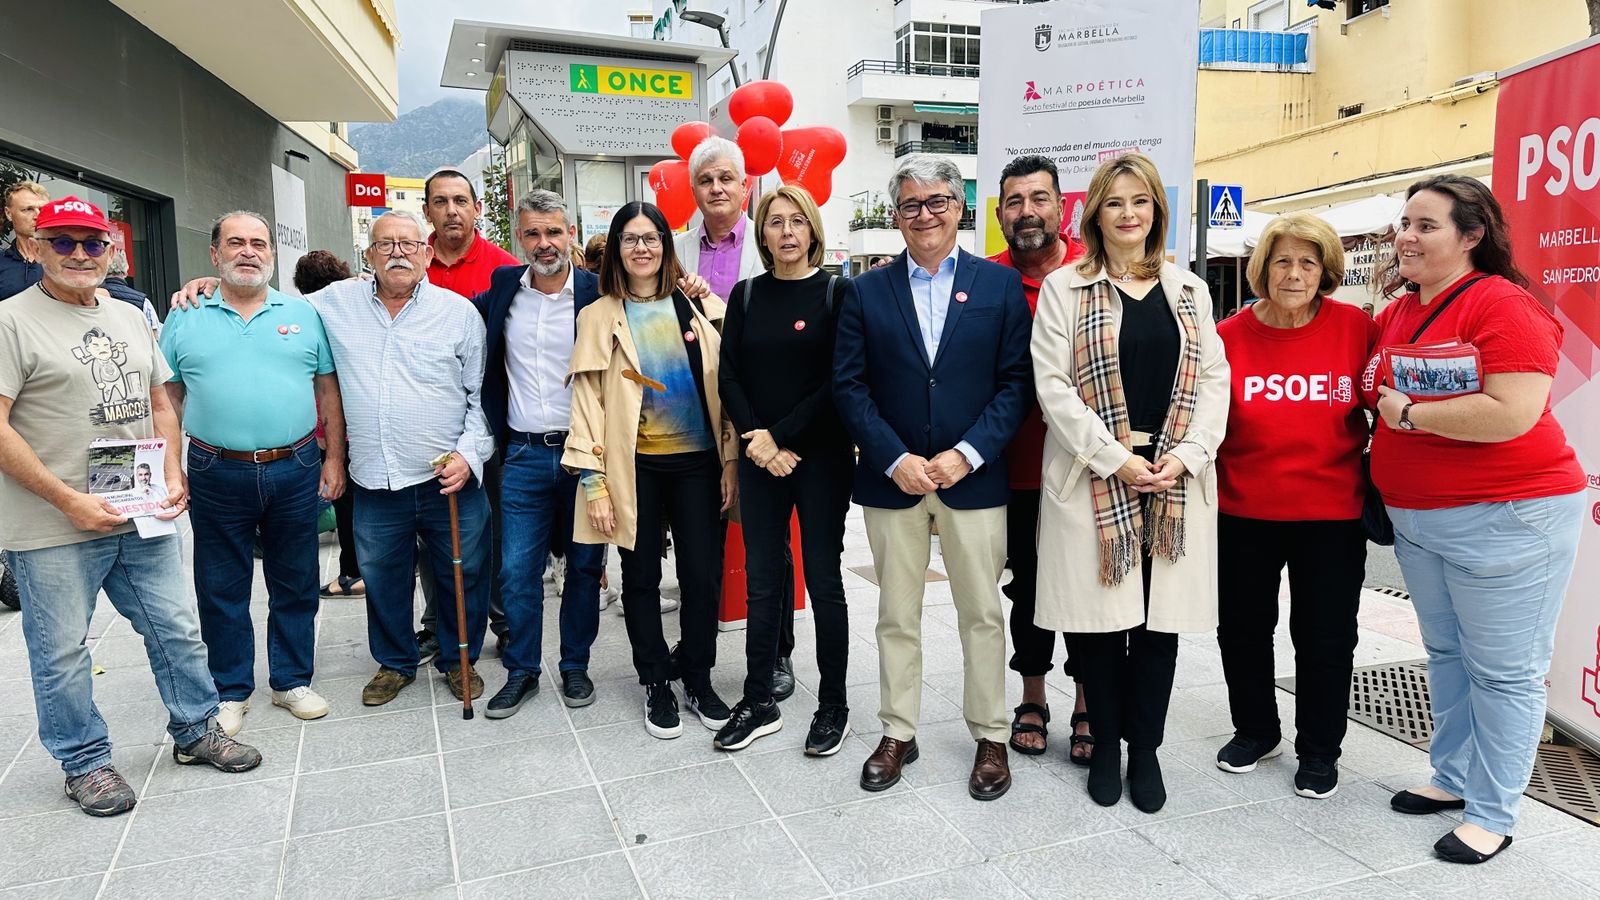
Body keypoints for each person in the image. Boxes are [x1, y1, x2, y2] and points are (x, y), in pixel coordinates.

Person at [0, 196, 261, 817]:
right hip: (54, 522)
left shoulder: (128, 315)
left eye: (94, 242)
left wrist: (172, 469)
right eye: (63, 242)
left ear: (112, 249)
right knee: (62, 649)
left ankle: (196, 731)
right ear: (35, 247)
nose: (81, 255)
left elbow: (161, 402)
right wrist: (68, 500)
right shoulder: (10, 320)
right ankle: (84, 761)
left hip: (140, 510)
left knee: (176, 628)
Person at [174, 211, 496, 707]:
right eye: (385, 245)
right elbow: (256, 292)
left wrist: (469, 455)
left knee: (464, 573)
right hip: (375, 478)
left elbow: (482, 400)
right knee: (383, 578)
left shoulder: (459, 314)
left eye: (409, 245)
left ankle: (459, 660)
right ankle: (395, 662)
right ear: (368, 256)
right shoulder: (328, 306)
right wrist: (209, 285)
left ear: (427, 254)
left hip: (447, 476)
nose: (398, 254)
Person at [1369, 176, 1585, 865]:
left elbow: (1512, 412)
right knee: (1449, 657)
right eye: (1404, 222)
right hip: (1420, 522)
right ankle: (1453, 777)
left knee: (1505, 673)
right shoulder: (1401, 311)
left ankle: (1494, 811)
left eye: (1426, 225)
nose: (1407, 235)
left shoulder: (1504, 307)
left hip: (1508, 519)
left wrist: (1409, 415)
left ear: (1472, 236)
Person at [1031, 153, 1230, 813]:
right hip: (1096, 478)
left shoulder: (1190, 290)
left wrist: (1190, 455)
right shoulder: (1066, 287)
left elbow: (1213, 386)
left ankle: (1145, 752)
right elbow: (1053, 389)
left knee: (1155, 631)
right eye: (1114, 203)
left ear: (1156, 211)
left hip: (1171, 480)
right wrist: (1114, 457)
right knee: (1096, 627)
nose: (1127, 214)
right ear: (1095, 214)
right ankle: (1107, 747)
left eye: (1139, 202)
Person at [833, 154, 1032, 801]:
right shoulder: (864, 291)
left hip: (972, 479)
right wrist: (896, 459)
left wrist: (965, 454)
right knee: (897, 613)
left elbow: (1014, 385)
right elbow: (850, 386)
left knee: (981, 612)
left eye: (939, 201)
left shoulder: (998, 288)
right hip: (894, 481)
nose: (927, 214)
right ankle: (898, 730)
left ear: (960, 208)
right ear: (897, 216)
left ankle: (990, 735)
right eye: (913, 204)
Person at [159, 211, 346, 734]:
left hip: (297, 464)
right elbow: (167, 398)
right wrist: (171, 467)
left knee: (296, 578)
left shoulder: (302, 313)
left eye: (259, 243)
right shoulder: (186, 314)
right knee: (220, 584)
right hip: (216, 468)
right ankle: (230, 689)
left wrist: (334, 459)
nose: (249, 252)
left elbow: (327, 389)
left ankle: (291, 681)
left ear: (272, 253)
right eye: (235, 243)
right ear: (214, 254)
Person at [1213, 212, 1377, 799]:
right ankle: (1256, 729)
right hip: (1243, 511)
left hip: (1331, 516)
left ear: (1326, 271)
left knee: (1327, 636)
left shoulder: (1356, 327)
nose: (1294, 273)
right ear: (1263, 267)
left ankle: (1319, 749)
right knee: (1242, 630)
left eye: (1308, 262)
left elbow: (1382, 399)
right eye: (1282, 260)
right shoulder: (1228, 336)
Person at [564, 201, 737, 740]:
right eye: (630, 238)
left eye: (652, 237)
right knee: (638, 578)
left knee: (702, 577)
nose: (642, 247)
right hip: (632, 467)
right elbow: (587, 403)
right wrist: (594, 482)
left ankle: (698, 676)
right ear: (616, 248)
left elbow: (731, 385)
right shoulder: (597, 316)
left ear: (666, 245)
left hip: (698, 465)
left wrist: (729, 460)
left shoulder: (697, 308)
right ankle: (656, 680)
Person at [715, 185, 854, 755]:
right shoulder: (746, 296)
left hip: (819, 457)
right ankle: (758, 698)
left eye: (798, 221)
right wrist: (759, 441)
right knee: (764, 580)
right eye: (776, 222)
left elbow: (839, 380)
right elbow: (730, 378)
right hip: (758, 457)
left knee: (823, 580)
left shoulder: (837, 294)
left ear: (813, 230)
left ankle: (834, 704)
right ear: (762, 233)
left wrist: (783, 436)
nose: (787, 231)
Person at [471, 190, 606, 717]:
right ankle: (523, 670)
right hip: (523, 456)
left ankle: (575, 666)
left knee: (584, 565)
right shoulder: (504, 288)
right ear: (518, 239)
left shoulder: (599, 293)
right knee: (516, 572)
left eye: (553, 231)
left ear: (571, 233)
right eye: (532, 233)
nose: (544, 243)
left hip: (586, 456)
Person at [676, 135, 799, 699]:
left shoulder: (769, 239)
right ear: (694, 189)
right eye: (706, 180)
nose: (717, 188)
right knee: (695, 539)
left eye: (727, 178)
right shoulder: (674, 246)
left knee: (767, 540)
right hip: (690, 413)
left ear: (745, 185)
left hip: (756, 415)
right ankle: (694, 645)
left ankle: (778, 652)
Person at [986, 154, 1093, 764]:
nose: (1028, 212)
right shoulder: (987, 279)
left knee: (1082, 588)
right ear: (1000, 213)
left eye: (1039, 199)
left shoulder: (1091, 273)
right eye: (1015, 202)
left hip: (1083, 468)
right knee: (1025, 589)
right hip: (1014, 470)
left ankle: (1084, 702)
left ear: (1062, 207)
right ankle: (1032, 697)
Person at [416, 168, 520, 661]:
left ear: (477, 209)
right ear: (427, 212)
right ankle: (438, 623)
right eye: (441, 201)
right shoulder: (409, 265)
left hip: (490, 423)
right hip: (429, 428)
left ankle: (501, 619)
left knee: (492, 528)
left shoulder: (505, 269)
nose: (452, 210)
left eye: (461, 200)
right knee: (433, 531)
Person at [295, 251, 365, 601]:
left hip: (332, 426)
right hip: (358, 421)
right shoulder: (357, 305)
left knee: (345, 502)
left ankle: (354, 572)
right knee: (352, 502)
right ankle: (356, 568)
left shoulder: (309, 314)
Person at [0, 180, 47, 300]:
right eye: (28, 209)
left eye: (42, 209)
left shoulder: (65, 255)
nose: (38, 216)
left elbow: (101, 292)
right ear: (9, 213)